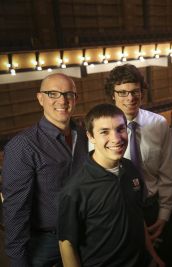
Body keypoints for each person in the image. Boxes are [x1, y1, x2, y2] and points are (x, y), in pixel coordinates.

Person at [58, 103, 164, 267]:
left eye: (120, 129)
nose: (116, 138)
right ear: (90, 136)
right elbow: (67, 244)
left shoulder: (131, 169)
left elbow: (138, 217)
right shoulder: (75, 189)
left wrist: (152, 255)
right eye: (104, 132)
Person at [2, 73, 87, 266]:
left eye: (68, 94)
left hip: (86, 234)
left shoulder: (83, 136)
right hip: (47, 244)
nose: (62, 100)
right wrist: (18, 261)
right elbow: (16, 211)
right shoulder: (22, 146)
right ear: (40, 99)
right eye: (53, 94)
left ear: (76, 99)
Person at [104, 64, 172, 266]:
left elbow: (167, 174)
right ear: (113, 95)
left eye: (135, 91)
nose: (130, 98)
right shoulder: (101, 130)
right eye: (123, 93)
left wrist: (164, 215)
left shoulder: (159, 123)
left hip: (154, 209)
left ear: (142, 92)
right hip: (123, 214)